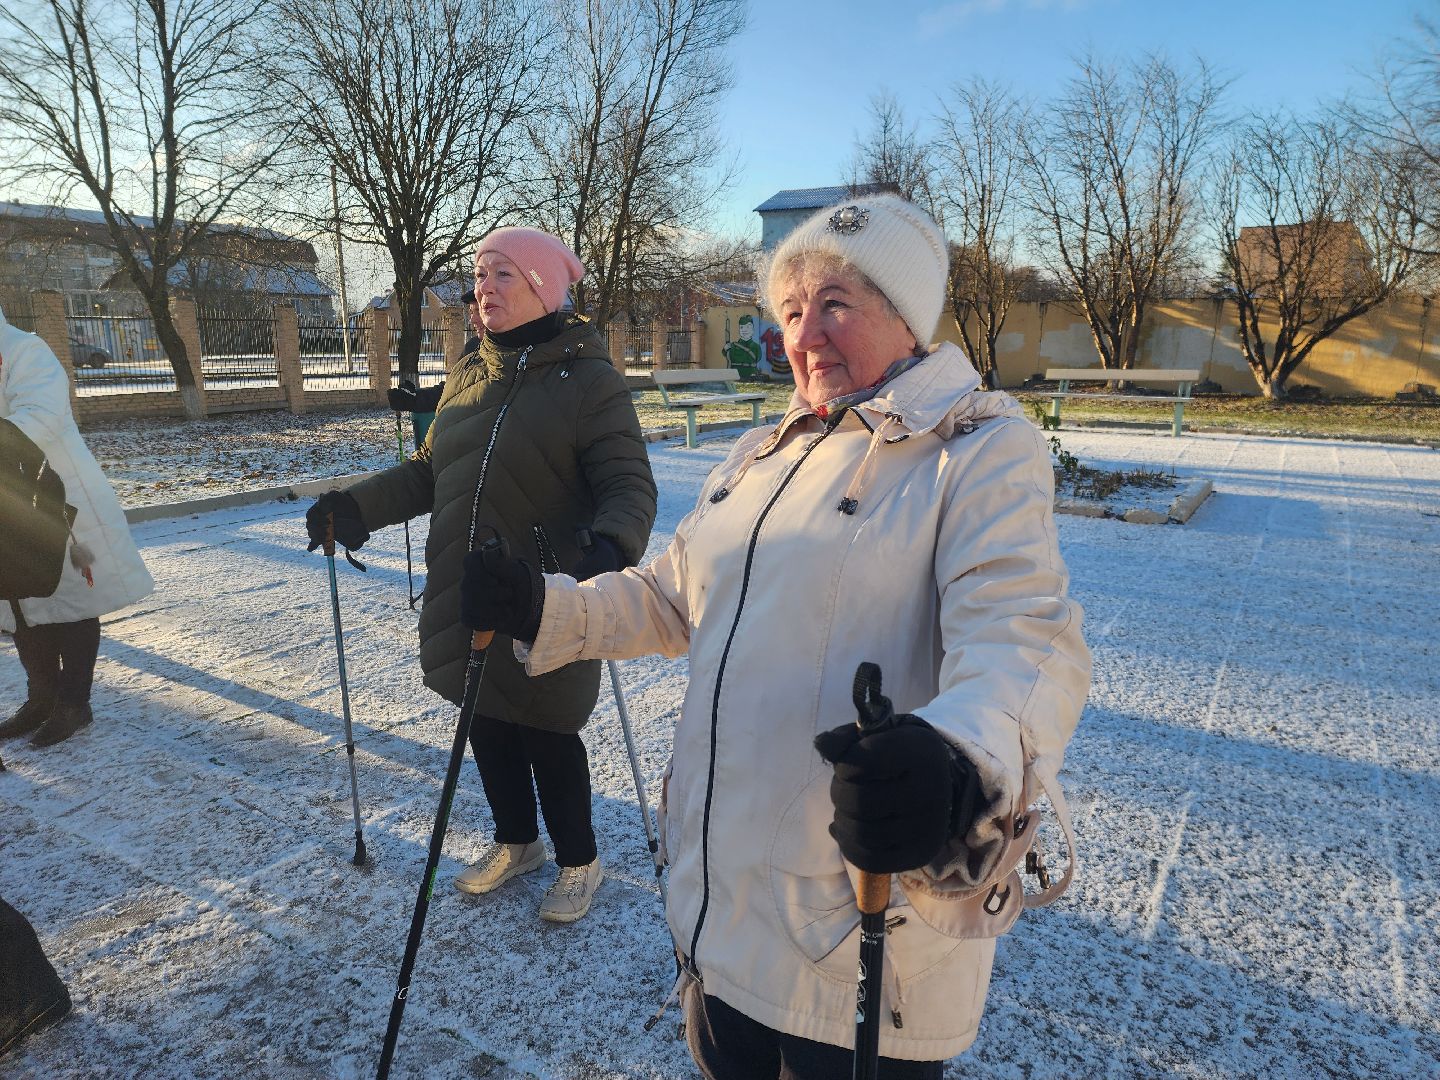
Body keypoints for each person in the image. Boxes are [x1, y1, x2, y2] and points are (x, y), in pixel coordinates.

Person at [460, 195, 1090, 1076]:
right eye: (792, 311)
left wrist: (956, 766)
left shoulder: (975, 450)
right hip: (719, 917)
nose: (808, 336)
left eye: (837, 304)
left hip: (857, 939)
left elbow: (1023, 640)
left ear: (906, 318)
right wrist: (543, 606)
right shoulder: (763, 454)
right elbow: (671, 598)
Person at [305, 228, 657, 924]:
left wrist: (606, 554)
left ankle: (579, 861)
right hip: (469, 586)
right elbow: (429, 473)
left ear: (543, 287)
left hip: (544, 597)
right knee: (486, 723)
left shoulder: (590, 381)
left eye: (501, 275)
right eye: (478, 276)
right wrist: (355, 507)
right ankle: (516, 842)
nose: (482, 290)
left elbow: (629, 486)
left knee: (549, 733)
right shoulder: (472, 368)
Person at [0, 303, 154, 747]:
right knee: (19, 604)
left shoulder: (25, 350)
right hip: (7, 504)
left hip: (55, 495)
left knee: (71, 603)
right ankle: (40, 700)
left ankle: (74, 705)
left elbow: (41, 417)